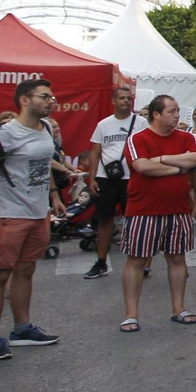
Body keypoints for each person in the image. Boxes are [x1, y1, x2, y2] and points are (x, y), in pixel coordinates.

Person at [0, 82, 62, 359]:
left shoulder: (45, 128)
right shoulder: (5, 133)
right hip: (8, 213)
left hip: (37, 212)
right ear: (24, 100)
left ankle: (21, 328)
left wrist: (54, 195)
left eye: (51, 96)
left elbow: (44, 165)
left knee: (26, 269)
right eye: (44, 96)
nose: (51, 101)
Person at [119, 95, 196, 332]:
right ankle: (131, 314)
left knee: (177, 258)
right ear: (156, 114)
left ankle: (179, 308)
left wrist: (163, 159)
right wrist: (178, 168)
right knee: (136, 260)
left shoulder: (186, 137)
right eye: (172, 111)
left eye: (178, 111)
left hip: (178, 209)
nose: (177, 115)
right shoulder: (138, 138)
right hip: (143, 210)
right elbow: (142, 167)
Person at [82, 86, 137, 280]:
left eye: (128, 98)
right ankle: (101, 261)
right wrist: (92, 178)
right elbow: (95, 152)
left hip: (133, 177)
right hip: (107, 178)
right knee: (105, 219)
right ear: (113, 101)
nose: (125, 101)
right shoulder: (103, 125)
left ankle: (139, 262)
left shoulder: (141, 122)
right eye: (121, 98)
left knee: (134, 221)